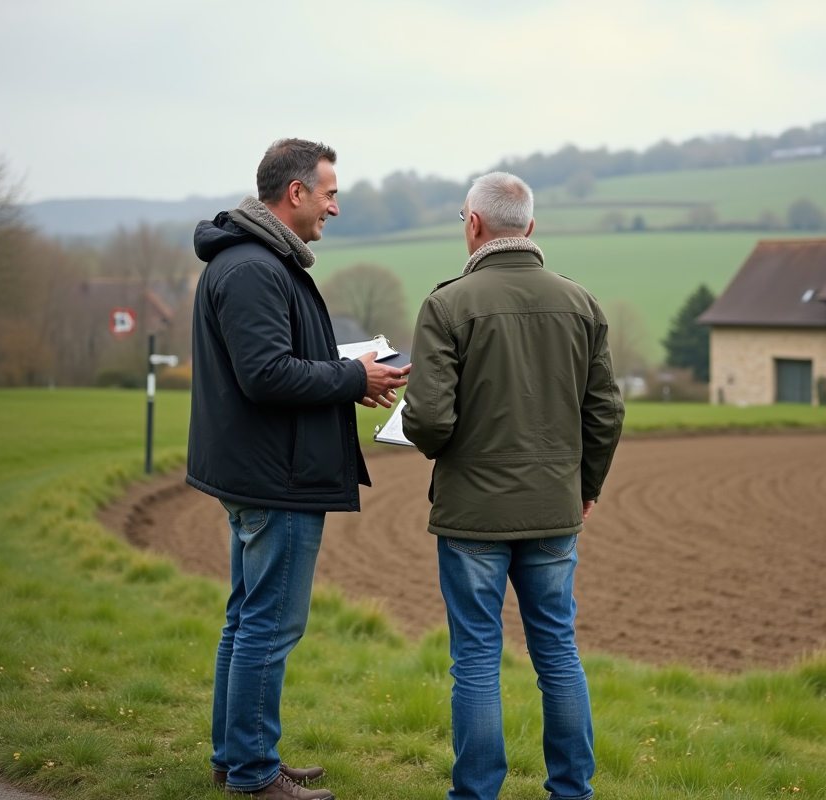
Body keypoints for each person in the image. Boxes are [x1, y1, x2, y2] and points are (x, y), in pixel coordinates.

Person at [188, 138, 410, 800]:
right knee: (269, 623)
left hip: (260, 469)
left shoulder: (253, 260)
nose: (335, 208)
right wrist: (352, 374)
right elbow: (266, 374)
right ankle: (255, 776)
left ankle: (239, 756)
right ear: (295, 193)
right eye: (330, 193)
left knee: (246, 617)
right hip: (274, 477)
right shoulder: (255, 268)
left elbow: (279, 361)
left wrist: (352, 381)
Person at [402, 171, 625, 800]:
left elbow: (427, 417)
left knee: (476, 659)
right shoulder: (582, 304)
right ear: (529, 227)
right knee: (558, 652)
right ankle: (571, 792)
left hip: (472, 514)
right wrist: (586, 486)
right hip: (555, 510)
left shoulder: (447, 305)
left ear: (473, 225)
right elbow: (606, 411)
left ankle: (475, 795)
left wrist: (439, 448)